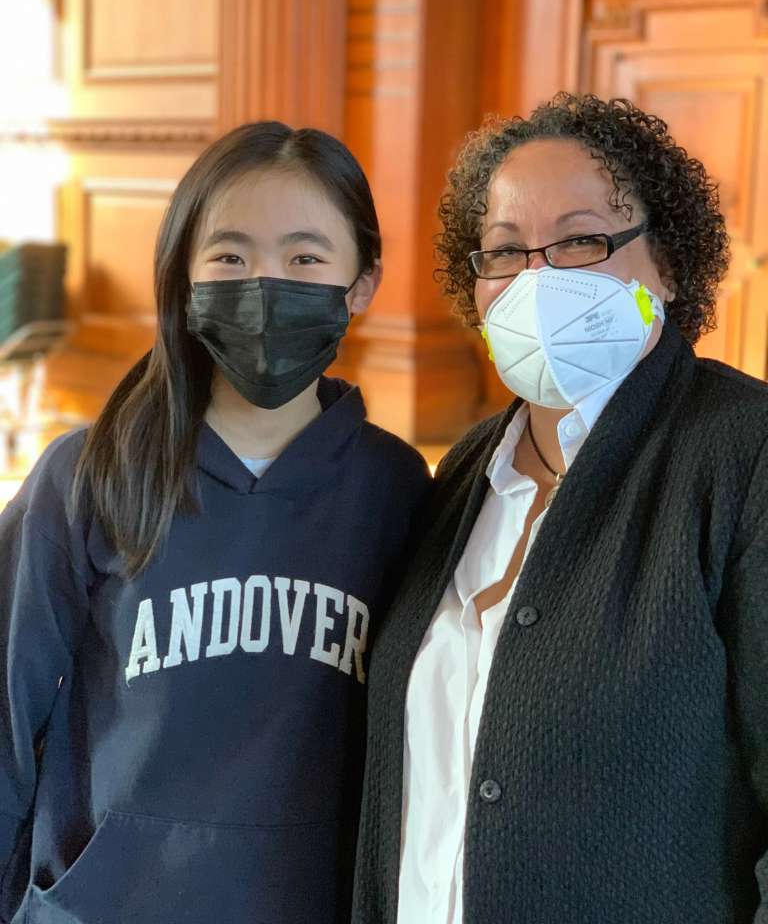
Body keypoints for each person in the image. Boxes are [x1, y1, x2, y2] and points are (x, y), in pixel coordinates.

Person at [0, 122, 431, 924]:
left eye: (305, 259)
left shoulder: (398, 489)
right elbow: (7, 714)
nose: (266, 286)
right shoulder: (88, 474)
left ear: (363, 283)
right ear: (184, 278)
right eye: (230, 257)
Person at [352, 92, 768, 923]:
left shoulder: (743, 455)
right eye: (506, 250)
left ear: (668, 265)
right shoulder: (466, 470)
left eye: (580, 240)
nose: (538, 279)